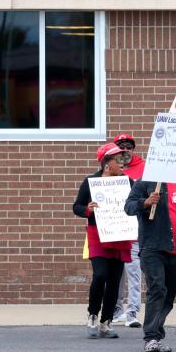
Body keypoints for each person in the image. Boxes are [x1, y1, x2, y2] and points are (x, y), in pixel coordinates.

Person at [124, 169, 176, 352]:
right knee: (157, 289)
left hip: (175, 250)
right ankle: (151, 337)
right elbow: (128, 206)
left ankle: (157, 334)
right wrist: (146, 202)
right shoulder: (144, 183)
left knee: (168, 296)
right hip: (152, 247)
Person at [72, 144, 134, 339]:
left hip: (120, 233)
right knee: (100, 275)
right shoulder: (91, 181)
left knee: (115, 280)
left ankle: (106, 322)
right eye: (118, 160)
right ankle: (92, 314)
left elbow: (134, 202)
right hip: (98, 234)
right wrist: (88, 209)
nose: (123, 163)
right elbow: (77, 207)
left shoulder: (127, 182)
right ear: (107, 164)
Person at [112, 133, 144, 328]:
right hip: (114, 226)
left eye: (128, 146)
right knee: (116, 272)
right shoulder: (110, 168)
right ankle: (117, 309)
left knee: (133, 270)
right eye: (121, 147)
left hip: (133, 227)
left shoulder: (143, 168)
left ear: (133, 148)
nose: (125, 150)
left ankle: (132, 311)